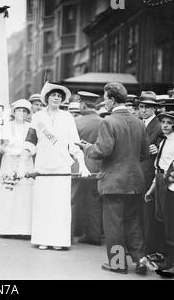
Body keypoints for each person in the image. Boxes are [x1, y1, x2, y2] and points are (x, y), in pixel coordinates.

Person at [78, 82, 152, 275]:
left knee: (114, 225)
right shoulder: (138, 122)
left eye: (104, 98)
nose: (104, 102)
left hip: (113, 182)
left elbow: (102, 151)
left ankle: (118, 264)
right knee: (133, 222)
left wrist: (87, 147)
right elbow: (144, 154)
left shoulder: (109, 122)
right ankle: (140, 260)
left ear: (111, 99)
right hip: (135, 182)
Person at [21, 82, 90, 250]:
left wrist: (82, 165)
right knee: (43, 203)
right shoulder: (38, 117)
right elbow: (30, 141)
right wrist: (22, 165)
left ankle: (58, 240)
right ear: (47, 98)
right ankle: (42, 239)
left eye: (59, 96)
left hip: (61, 166)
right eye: (53, 95)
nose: (56, 98)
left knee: (59, 204)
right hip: (43, 166)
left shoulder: (67, 117)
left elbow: (74, 144)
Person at [0, 99, 34, 236]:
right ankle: (5, 228)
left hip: (25, 162)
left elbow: (35, 145)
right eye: (18, 110)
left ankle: (23, 229)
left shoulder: (31, 127)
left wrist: (26, 152)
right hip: (9, 161)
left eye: (24, 111)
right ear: (14, 111)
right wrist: (7, 150)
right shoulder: (5, 126)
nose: (21, 113)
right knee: (8, 191)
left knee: (23, 195)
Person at [145, 111, 174, 274]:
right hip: (161, 182)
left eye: (169, 123)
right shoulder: (164, 142)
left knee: (171, 223)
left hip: (171, 186)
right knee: (162, 220)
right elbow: (160, 166)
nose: (165, 125)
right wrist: (152, 188)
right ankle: (166, 256)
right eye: (163, 122)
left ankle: (171, 262)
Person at [138, 91, 165, 260]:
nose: (144, 110)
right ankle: (139, 245)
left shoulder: (158, 125)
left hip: (149, 172)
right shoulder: (139, 123)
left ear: (154, 109)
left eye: (147, 107)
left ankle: (147, 248)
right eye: (141, 106)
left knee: (147, 211)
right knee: (138, 210)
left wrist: (156, 146)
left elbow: (164, 142)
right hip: (138, 172)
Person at [73, 91, 103, 245]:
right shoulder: (103, 122)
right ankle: (94, 236)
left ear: (82, 104)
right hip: (97, 168)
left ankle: (68, 234)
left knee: (72, 201)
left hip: (78, 168)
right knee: (94, 202)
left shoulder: (76, 122)